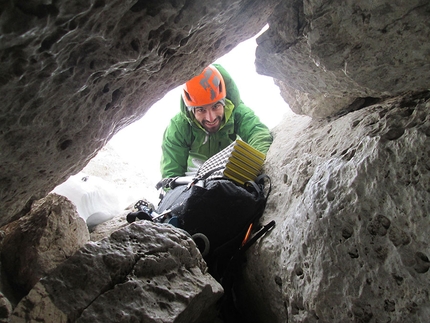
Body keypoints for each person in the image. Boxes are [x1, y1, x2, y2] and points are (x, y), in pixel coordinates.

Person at [160, 64, 273, 179]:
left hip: (230, 170)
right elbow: (171, 173)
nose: (211, 118)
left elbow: (257, 133)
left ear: (224, 102)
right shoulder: (179, 127)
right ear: (191, 111)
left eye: (216, 106)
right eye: (201, 110)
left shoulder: (236, 111)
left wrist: (253, 169)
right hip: (193, 178)